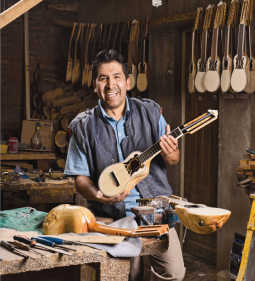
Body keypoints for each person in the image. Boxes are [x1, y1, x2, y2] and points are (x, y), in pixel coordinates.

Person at [65, 49, 185, 281]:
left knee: (174, 271)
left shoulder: (151, 113)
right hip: (111, 216)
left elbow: (173, 159)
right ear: (95, 85)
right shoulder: (82, 127)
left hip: (155, 214)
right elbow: (79, 178)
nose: (111, 85)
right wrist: (99, 196)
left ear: (128, 82)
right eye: (103, 78)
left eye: (117, 77)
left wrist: (172, 152)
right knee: (128, 274)